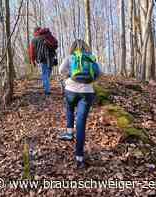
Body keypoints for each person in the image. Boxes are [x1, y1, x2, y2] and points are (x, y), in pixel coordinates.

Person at [58, 39, 101, 169]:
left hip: (71, 90)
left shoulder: (70, 57)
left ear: (73, 47)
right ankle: (79, 157)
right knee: (81, 123)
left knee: (70, 107)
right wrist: (89, 80)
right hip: (87, 93)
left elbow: (60, 70)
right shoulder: (91, 58)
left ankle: (69, 133)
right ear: (85, 47)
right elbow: (99, 73)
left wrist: (70, 75)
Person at [29, 27, 58, 95]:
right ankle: (46, 86)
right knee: (47, 74)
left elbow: (32, 51)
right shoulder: (48, 35)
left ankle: (47, 91)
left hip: (42, 59)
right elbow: (56, 44)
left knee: (45, 74)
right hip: (51, 58)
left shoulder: (34, 39)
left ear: (35, 32)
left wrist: (32, 60)